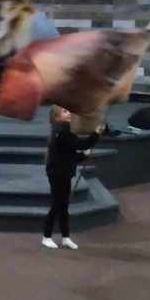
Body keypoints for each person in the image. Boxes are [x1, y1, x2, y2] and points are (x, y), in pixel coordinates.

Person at [42, 105, 102, 250]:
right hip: (57, 174)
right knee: (57, 205)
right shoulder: (63, 132)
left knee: (64, 206)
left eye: (68, 110)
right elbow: (82, 144)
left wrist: (83, 155)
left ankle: (65, 237)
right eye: (64, 111)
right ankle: (46, 236)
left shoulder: (65, 131)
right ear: (57, 117)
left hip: (63, 172)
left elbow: (70, 155)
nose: (69, 113)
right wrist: (96, 133)